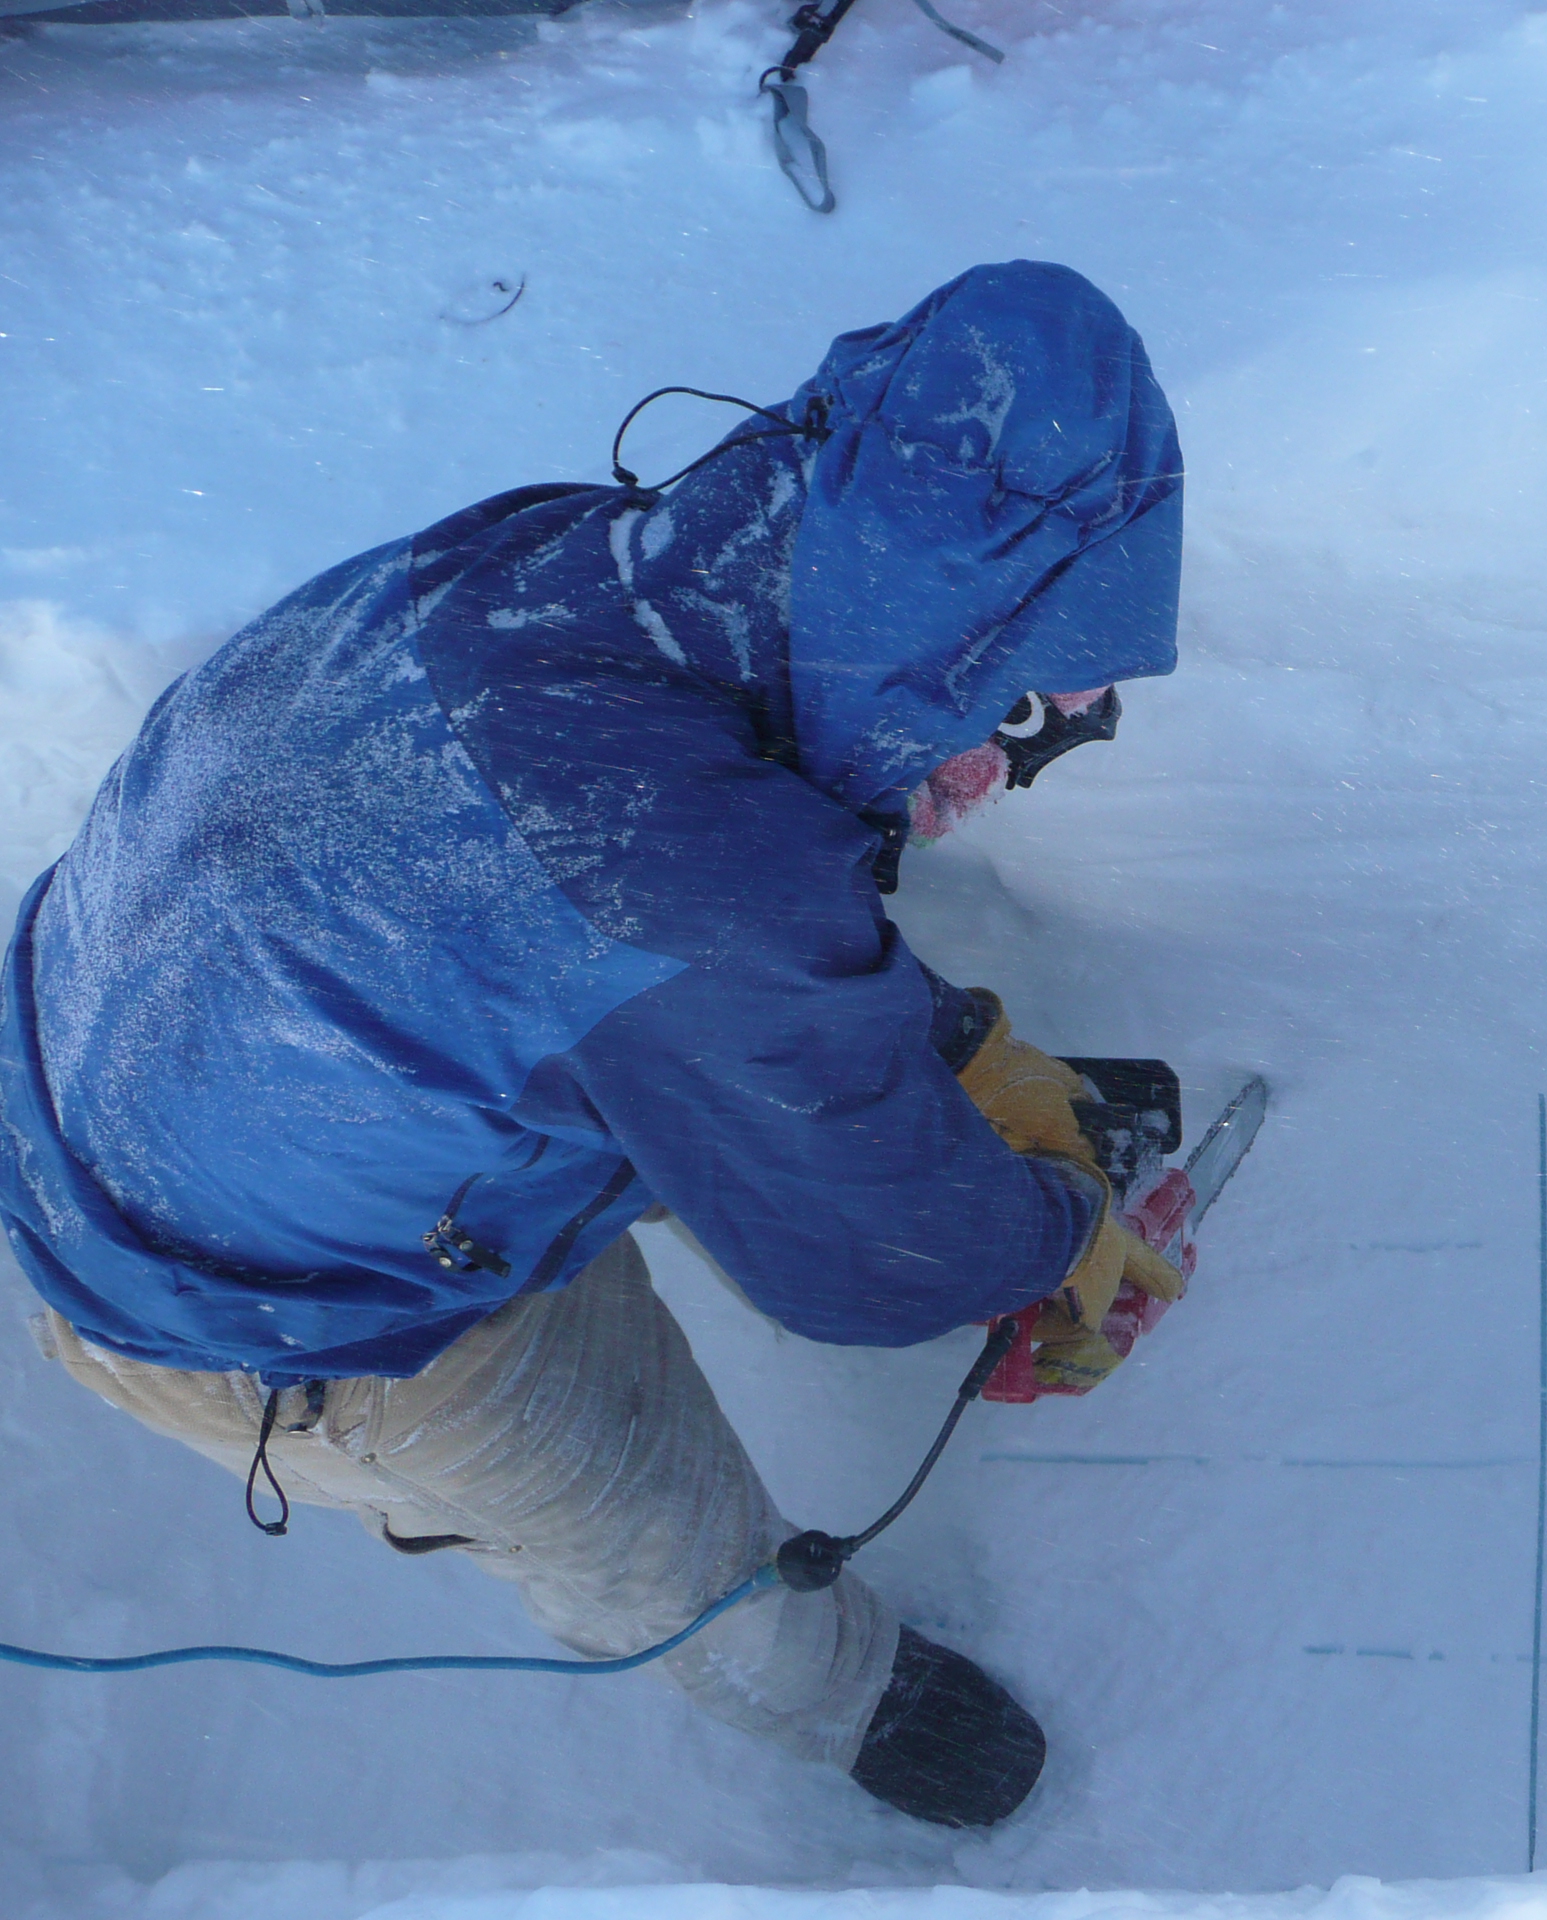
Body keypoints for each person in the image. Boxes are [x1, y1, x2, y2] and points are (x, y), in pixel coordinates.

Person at [0, 261, 1186, 1829]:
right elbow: (877, 1264)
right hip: (265, 1308)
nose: (1010, 772)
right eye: (1024, 711)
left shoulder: (588, 569)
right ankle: (832, 1690)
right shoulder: (678, 890)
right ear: (925, 645)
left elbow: (667, 936)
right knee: (639, 1519)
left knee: (716, 1050)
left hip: (178, 1061)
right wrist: (1050, 1231)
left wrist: (945, 1058)